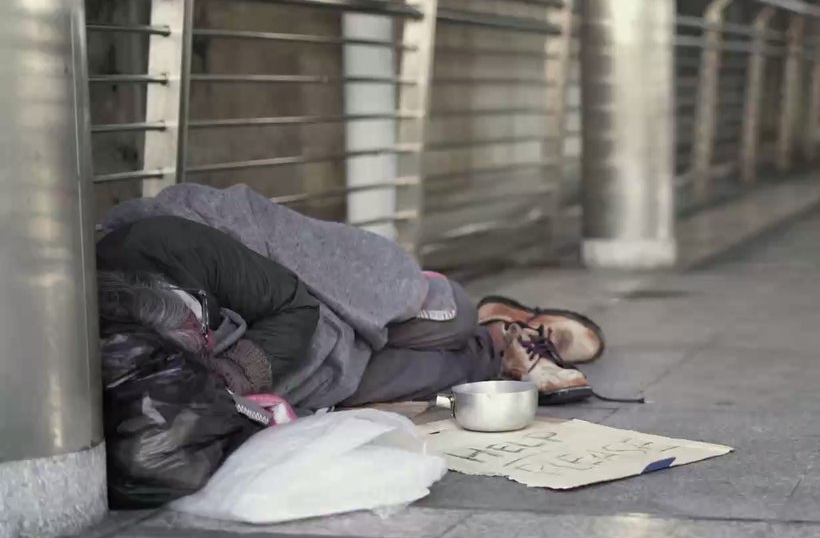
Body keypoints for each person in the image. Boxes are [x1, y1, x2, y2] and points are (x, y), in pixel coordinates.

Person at [96, 186, 605, 409]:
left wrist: (226, 377)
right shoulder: (121, 355)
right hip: (295, 362)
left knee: (452, 312)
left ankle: (495, 324)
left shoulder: (166, 241)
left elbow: (293, 304)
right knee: (426, 376)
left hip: (294, 298)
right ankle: (497, 349)